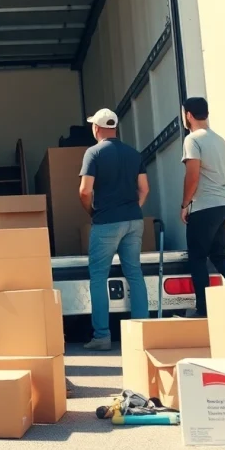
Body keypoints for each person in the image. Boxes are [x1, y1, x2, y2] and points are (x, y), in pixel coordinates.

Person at [79, 108, 150, 351]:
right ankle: (142, 333)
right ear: (115, 128)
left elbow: (85, 191)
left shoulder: (94, 153)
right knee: (134, 273)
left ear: (96, 128)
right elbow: (144, 189)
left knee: (99, 277)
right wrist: (133, 208)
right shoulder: (133, 153)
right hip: (134, 220)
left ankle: (102, 336)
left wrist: (92, 212)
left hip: (106, 222)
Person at [179, 97, 225, 318]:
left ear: (188, 115)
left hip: (206, 207)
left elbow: (192, 175)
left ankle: (203, 309)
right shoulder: (219, 140)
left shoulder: (192, 139)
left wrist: (185, 204)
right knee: (219, 256)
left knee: (197, 257)